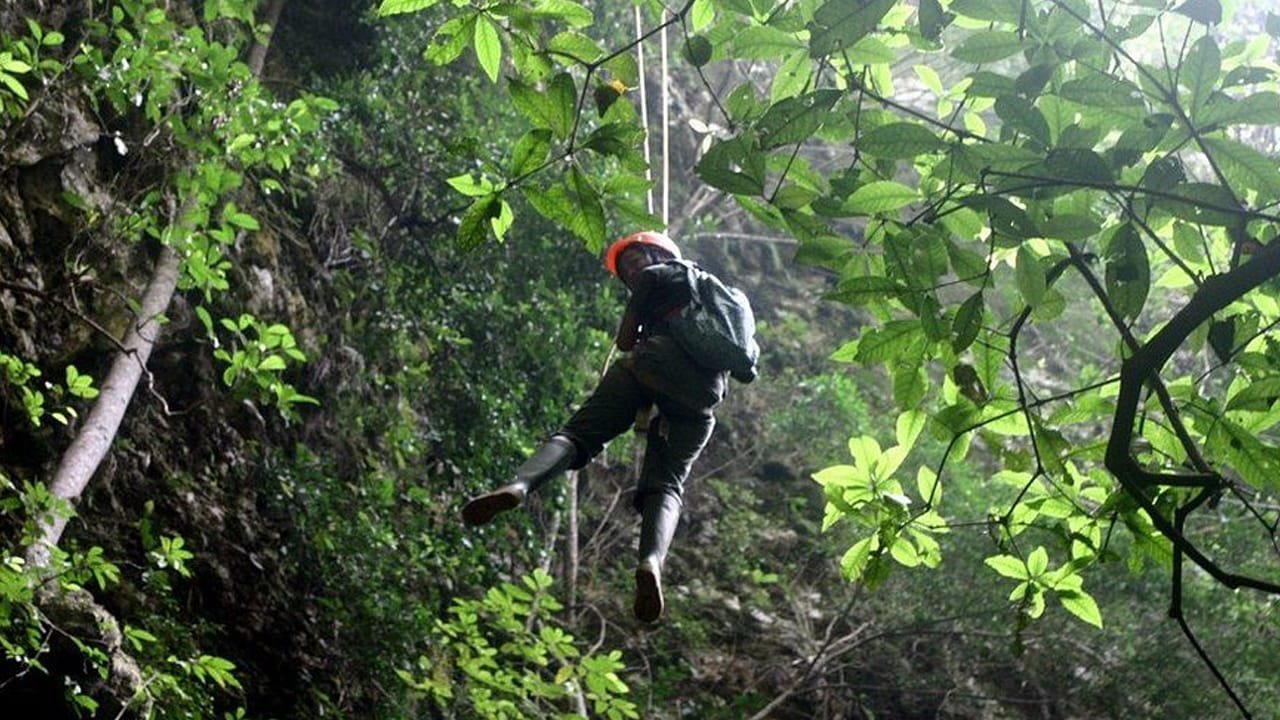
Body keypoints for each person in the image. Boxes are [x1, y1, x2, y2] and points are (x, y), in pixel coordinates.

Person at [461, 230, 755, 623]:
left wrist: (639, 315)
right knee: (667, 483)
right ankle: (651, 562)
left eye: (634, 260)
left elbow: (626, 341)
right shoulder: (719, 297)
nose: (631, 271)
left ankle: (519, 485)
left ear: (656, 254)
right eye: (626, 269)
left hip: (651, 365)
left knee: (578, 434)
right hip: (702, 398)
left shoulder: (660, 274)